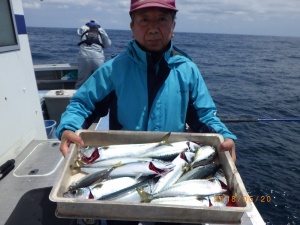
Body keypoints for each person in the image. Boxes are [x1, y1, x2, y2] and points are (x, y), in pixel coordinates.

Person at [57, 0, 237, 224]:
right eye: (144, 20)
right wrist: (68, 128)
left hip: (173, 164)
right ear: (132, 27)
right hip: (121, 167)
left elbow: (204, 116)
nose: (153, 27)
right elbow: (83, 104)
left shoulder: (187, 70)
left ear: (173, 26)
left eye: (162, 19)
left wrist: (224, 136)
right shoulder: (115, 69)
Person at [75, 19, 111, 89]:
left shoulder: (82, 28)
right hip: (97, 57)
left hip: (84, 56)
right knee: (100, 81)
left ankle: (77, 98)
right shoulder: (101, 29)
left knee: (81, 82)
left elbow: (79, 34)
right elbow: (107, 44)